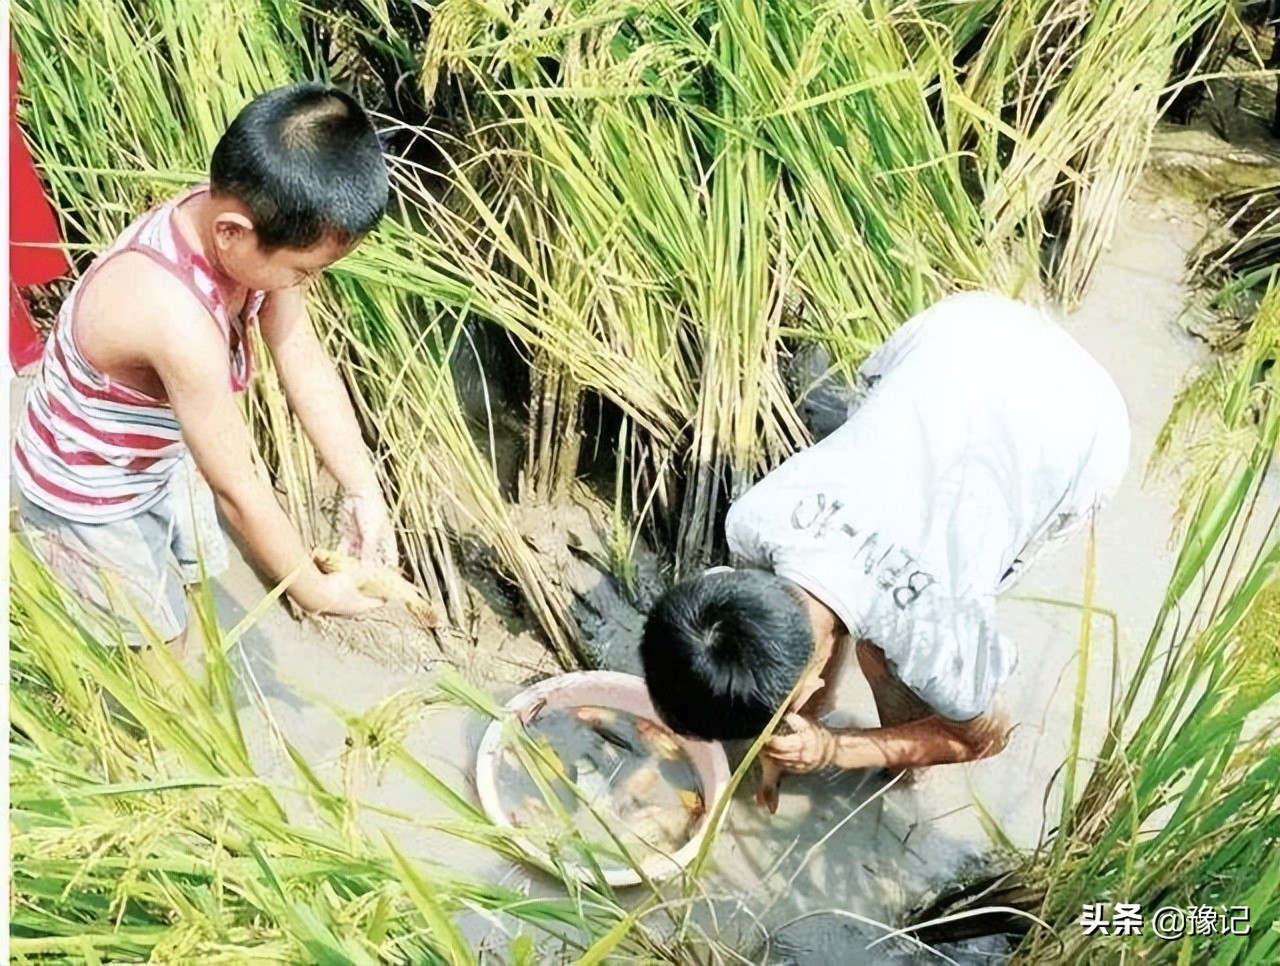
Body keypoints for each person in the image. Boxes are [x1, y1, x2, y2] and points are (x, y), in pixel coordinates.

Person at [640, 292, 1131, 811]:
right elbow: (800, 635)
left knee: (887, 666)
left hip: (1082, 427)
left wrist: (835, 748)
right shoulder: (757, 518)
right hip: (970, 329)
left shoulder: (937, 639)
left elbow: (988, 736)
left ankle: (902, 775)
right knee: (865, 630)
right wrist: (808, 715)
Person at [13, 83, 399, 645]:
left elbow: (303, 359)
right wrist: (314, 592)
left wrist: (363, 487)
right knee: (152, 650)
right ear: (232, 233)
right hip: (91, 490)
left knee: (197, 581)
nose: (304, 285)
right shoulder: (175, 317)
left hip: (162, 454)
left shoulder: (254, 223)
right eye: (302, 273)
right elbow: (237, 490)